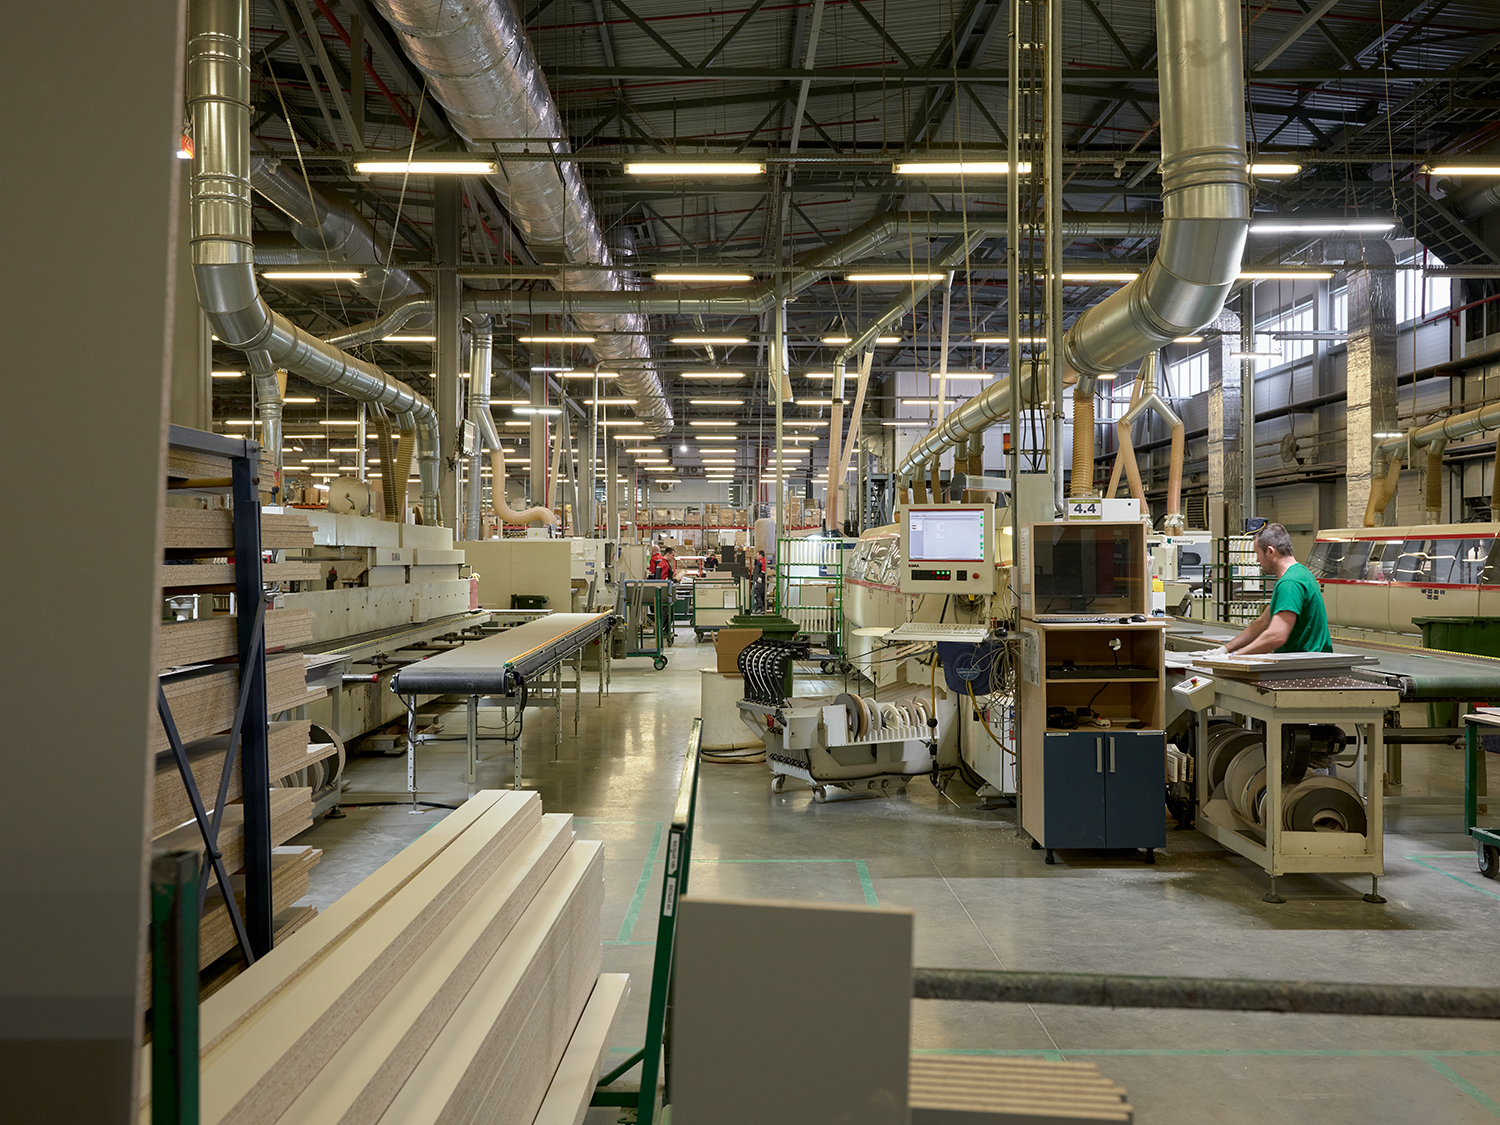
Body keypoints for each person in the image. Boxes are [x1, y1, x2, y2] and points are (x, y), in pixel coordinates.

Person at [1219, 523, 1332, 655]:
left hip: (1306, 663)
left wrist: (1235, 656)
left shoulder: (1290, 583)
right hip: (1305, 660)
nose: (1257, 560)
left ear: (1270, 552)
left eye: (1258, 554)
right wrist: (1224, 650)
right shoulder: (1300, 573)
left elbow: (1277, 635)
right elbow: (1262, 623)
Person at [751, 548, 768, 613]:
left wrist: (760, 577)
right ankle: (764, 608)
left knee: (757, 593)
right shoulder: (760, 561)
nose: (756, 556)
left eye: (757, 555)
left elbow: (764, 570)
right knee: (762, 594)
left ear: (761, 555)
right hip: (761, 580)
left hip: (761, 581)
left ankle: (760, 608)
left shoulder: (762, 561)